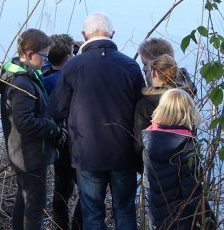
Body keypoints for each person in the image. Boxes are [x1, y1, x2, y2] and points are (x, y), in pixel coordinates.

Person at [48, 12, 145, 229]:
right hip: (124, 153)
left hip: (87, 154)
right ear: (113, 34)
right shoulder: (130, 66)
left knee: (92, 215)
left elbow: (55, 111)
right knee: (125, 213)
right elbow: (142, 110)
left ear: (84, 35)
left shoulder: (73, 66)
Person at [0, 28, 66, 230]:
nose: (46, 61)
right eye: (43, 56)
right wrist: (53, 128)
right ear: (29, 54)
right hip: (30, 154)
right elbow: (24, 122)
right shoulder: (22, 84)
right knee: (34, 206)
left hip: (23, 152)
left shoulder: (24, 76)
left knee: (24, 199)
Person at [142, 88, 216, 229]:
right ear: (188, 112)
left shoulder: (149, 140)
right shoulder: (187, 145)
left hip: (157, 219)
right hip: (182, 221)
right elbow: (193, 193)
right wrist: (210, 220)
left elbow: (148, 184)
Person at [42, 34, 83, 230]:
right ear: (68, 57)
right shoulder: (69, 79)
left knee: (61, 188)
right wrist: (80, 54)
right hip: (74, 138)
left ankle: (60, 225)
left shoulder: (44, 76)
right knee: (86, 189)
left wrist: (72, 52)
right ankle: (77, 225)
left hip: (56, 139)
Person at [133, 54, 179, 171]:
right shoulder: (184, 99)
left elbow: (139, 140)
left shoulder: (145, 103)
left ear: (154, 73)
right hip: (181, 164)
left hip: (153, 166)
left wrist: (139, 166)